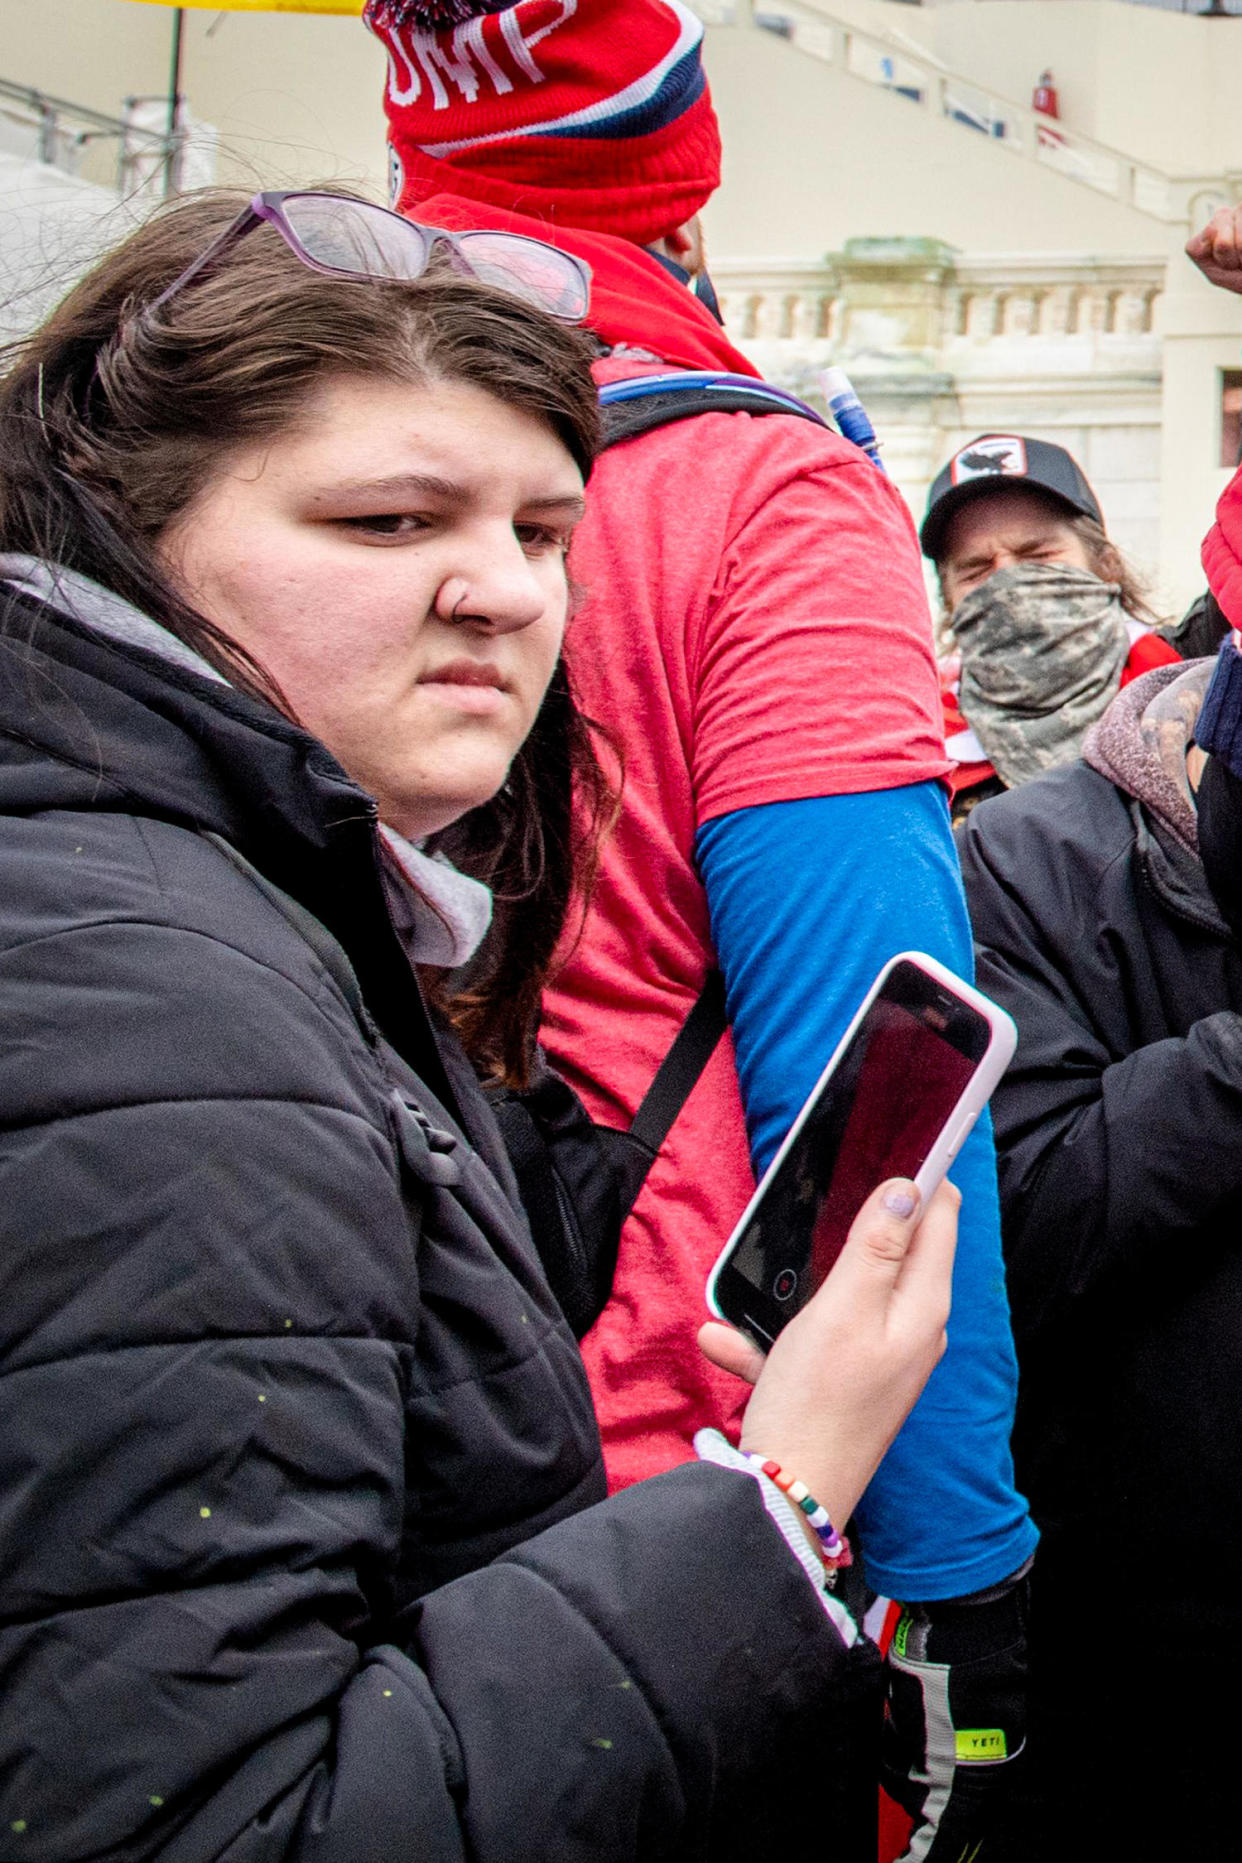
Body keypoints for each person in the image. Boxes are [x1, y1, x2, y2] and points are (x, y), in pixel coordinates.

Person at [0, 185, 963, 1862]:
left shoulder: (232, 909)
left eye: (540, 532)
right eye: (389, 522)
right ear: (123, 526)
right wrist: (780, 1494)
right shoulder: (156, 1003)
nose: (502, 592)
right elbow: (222, 1820)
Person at [362, 2, 1037, 1854]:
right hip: (684, 1488)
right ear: (680, 197)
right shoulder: (760, 495)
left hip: (337, 1416)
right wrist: (959, 1568)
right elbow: (880, 1085)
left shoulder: (261, 482)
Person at [956, 457, 1242, 1858]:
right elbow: (1025, 1212)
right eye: (973, 570)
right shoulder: (1013, 859)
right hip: (1144, 1655)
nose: (1012, 596)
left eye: (1039, 554)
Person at [921, 432, 1179, 822]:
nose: (1007, 582)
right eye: (976, 570)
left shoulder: (1190, 700)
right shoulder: (918, 754)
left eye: (1038, 555)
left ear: (1106, 566)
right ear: (947, 600)